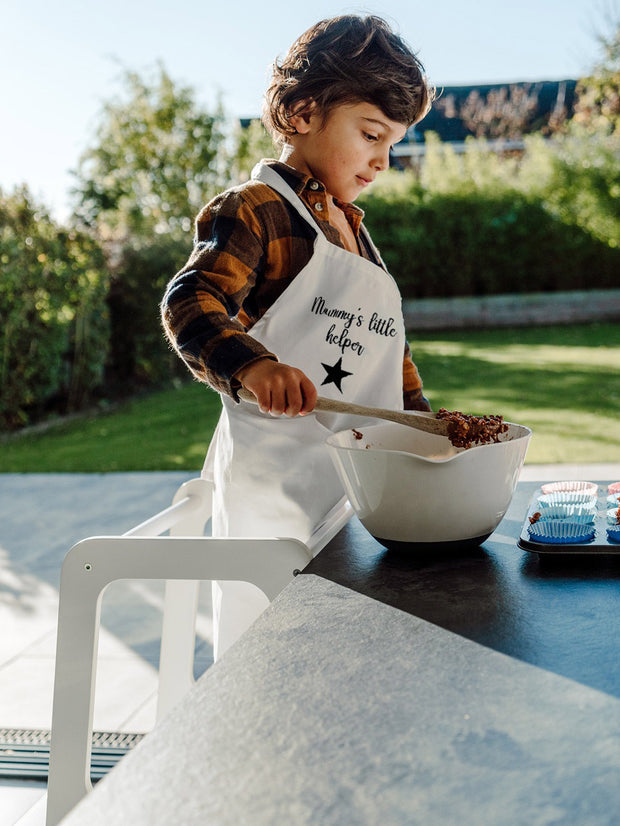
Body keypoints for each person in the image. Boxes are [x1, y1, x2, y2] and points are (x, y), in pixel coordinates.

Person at [161, 14, 434, 659]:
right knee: (275, 658)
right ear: (300, 110)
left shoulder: (354, 234)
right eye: (371, 134)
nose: (382, 160)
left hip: (357, 496)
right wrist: (253, 368)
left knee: (350, 659)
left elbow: (388, 361)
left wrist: (426, 430)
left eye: (392, 143)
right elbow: (192, 299)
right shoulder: (255, 209)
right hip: (275, 496)